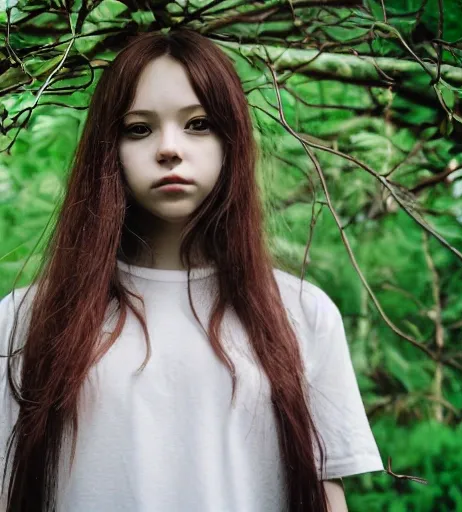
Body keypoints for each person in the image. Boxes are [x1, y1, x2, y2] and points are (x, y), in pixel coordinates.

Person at [0, 29, 384, 512]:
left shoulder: (303, 313)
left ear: (231, 141)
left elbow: (326, 495)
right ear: (108, 149)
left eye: (198, 124)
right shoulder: (25, 319)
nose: (169, 148)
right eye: (139, 128)